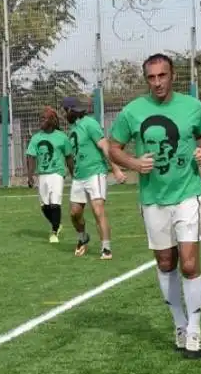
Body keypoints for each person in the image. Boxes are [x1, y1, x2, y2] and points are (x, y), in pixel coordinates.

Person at [108, 53, 201, 360]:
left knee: (190, 263)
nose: (157, 83)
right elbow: (113, 147)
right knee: (166, 263)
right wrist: (133, 163)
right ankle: (179, 323)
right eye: (151, 78)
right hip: (153, 198)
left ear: (173, 76)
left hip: (187, 193)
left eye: (162, 76)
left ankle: (195, 328)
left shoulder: (193, 107)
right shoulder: (132, 112)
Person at [62, 97, 127, 259]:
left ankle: (106, 248)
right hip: (79, 176)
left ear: (71, 111)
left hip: (95, 172)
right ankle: (83, 237)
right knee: (74, 213)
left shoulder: (90, 124)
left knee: (98, 210)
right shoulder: (73, 130)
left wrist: (116, 169)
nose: (64, 114)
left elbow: (105, 145)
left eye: (65, 111)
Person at [25, 106, 73, 243]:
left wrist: (73, 173)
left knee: (54, 203)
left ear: (51, 121)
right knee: (44, 205)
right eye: (40, 118)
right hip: (42, 174)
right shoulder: (36, 138)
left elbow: (69, 156)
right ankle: (56, 223)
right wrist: (30, 176)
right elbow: (30, 157)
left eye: (44, 118)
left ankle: (54, 233)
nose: (41, 121)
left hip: (57, 173)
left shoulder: (62, 137)